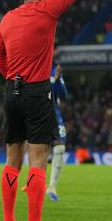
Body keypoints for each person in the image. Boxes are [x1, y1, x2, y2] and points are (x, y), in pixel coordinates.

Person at [0, 0, 112, 221]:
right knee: (37, 160)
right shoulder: (49, 9)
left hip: (11, 92)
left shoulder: (6, 18)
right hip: (36, 92)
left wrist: (12, 77)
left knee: (11, 159)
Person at [47, 62, 67, 202]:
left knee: (60, 146)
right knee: (39, 150)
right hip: (36, 113)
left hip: (53, 113)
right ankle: (34, 184)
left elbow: (64, 95)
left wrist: (58, 80)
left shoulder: (54, 70)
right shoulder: (33, 65)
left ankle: (52, 186)